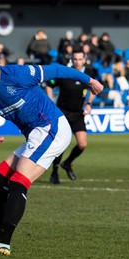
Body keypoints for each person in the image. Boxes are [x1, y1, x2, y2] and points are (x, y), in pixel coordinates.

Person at [0, 42, 103, 256]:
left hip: (52, 127)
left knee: (18, 180)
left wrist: (90, 80)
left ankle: (3, 242)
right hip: (35, 134)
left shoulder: (17, 74)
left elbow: (56, 69)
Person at [45, 49, 96, 184]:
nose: (77, 62)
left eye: (80, 59)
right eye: (75, 59)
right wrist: (51, 103)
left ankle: (67, 163)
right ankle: (54, 173)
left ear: (84, 59)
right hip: (63, 114)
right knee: (62, 145)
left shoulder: (89, 73)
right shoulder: (65, 73)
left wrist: (89, 103)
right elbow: (49, 85)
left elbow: (94, 88)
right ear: (71, 60)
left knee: (82, 144)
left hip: (78, 114)